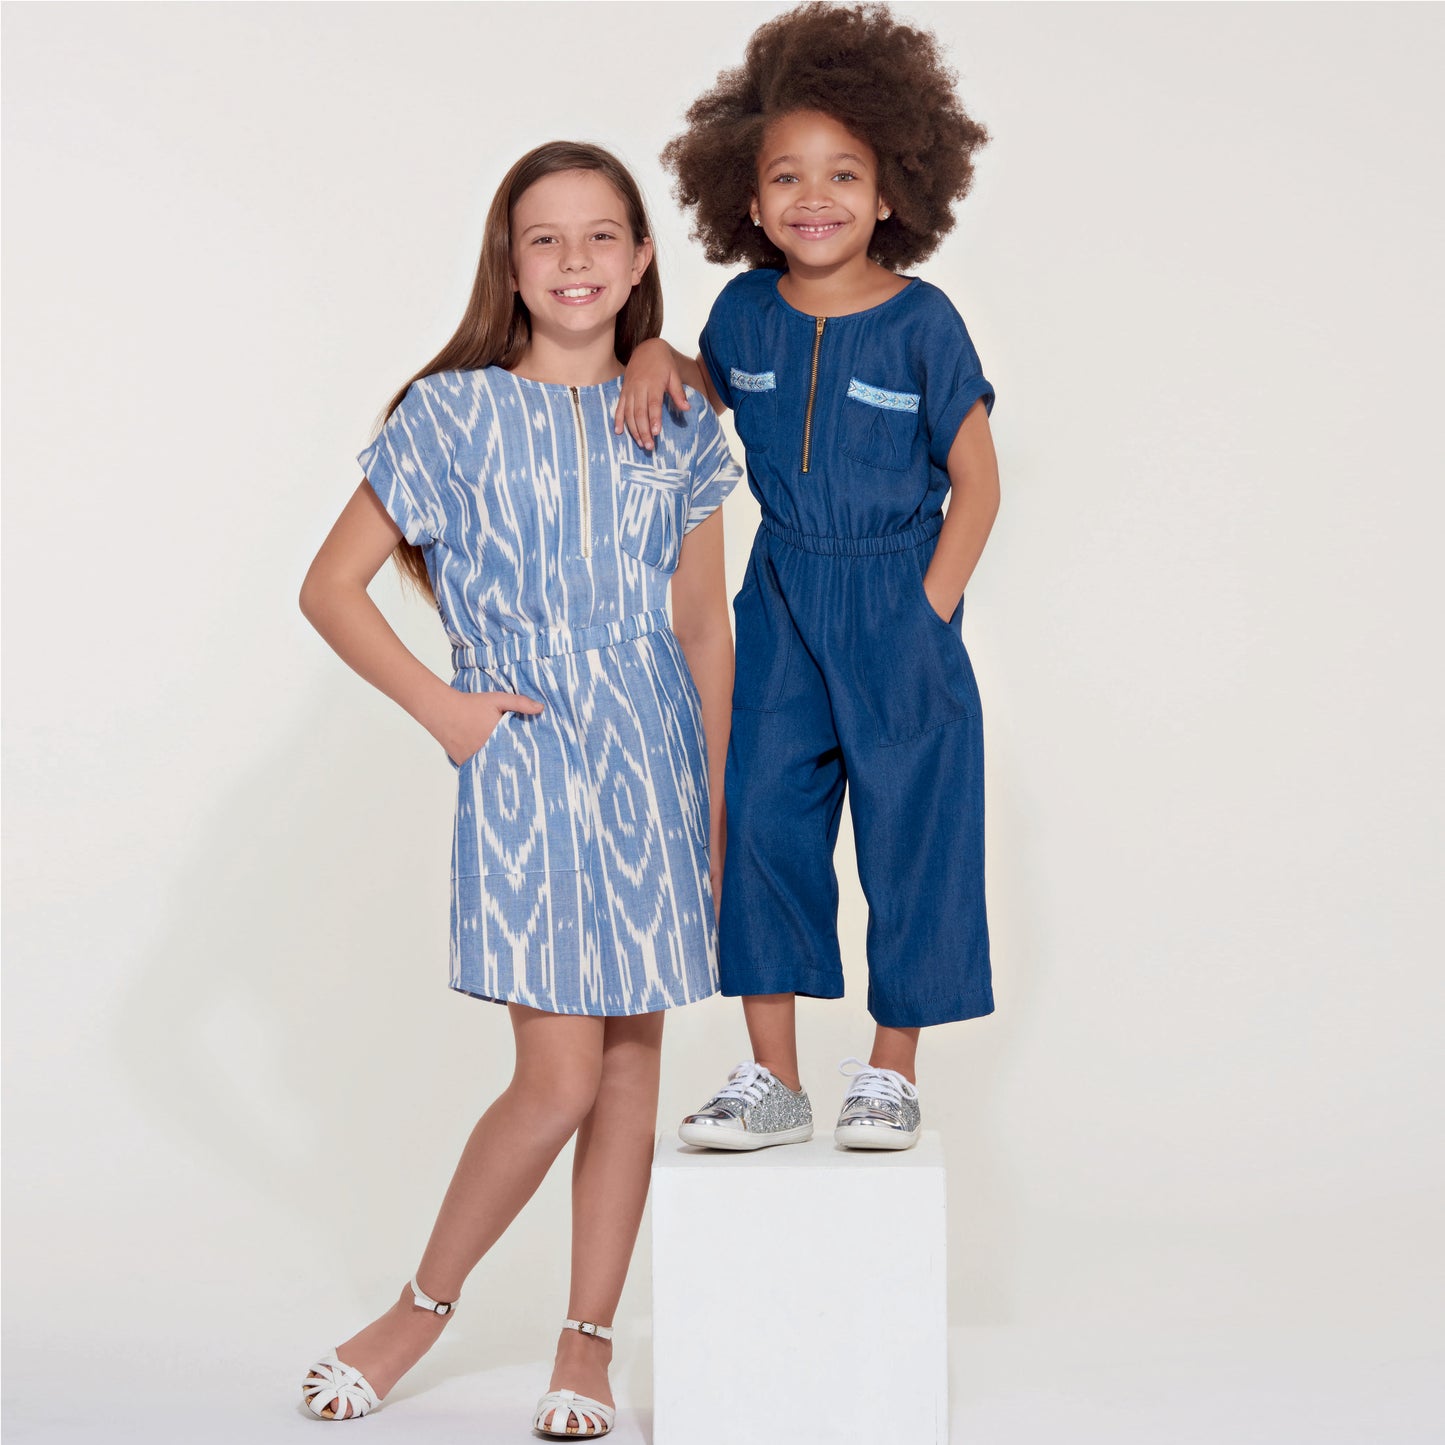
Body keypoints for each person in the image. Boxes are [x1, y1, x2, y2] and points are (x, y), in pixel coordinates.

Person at [298, 140, 740, 1438]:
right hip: (530, 755)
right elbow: (330, 586)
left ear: (641, 257)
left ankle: (585, 1341)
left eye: (602, 235)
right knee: (555, 1074)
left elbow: (702, 625)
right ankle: (419, 1308)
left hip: (654, 751)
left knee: (631, 1060)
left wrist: (716, 797)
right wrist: (444, 709)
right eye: (544, 238)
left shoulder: (679, 416)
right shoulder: (451, 414)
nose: (574, 261)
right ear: (508, 260)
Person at [615, 2, 1000, 1153]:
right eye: (785, 175)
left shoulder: (924, 324)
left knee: (912, 834)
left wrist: (922, 617)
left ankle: (890, 1070)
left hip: (897, 601)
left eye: (843, 174)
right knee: (762, 818)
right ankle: (772, 1077)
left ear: (889, 194)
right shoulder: (744, 313)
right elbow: (701, 386)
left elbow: (976, 485)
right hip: (780, 596)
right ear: (745, 196)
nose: (813, 196)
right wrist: (653, 349)